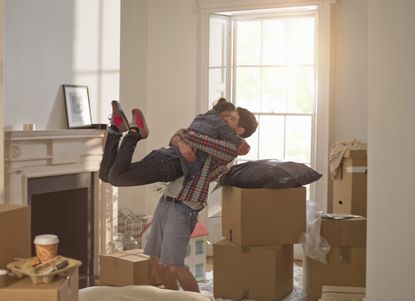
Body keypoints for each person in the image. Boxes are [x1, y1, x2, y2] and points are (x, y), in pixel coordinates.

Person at [98, 99, 258, 291]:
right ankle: (172, 296)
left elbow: (191, 136)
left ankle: (197, 299)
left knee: (175, 266)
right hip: (167, 200)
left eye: (231, 118)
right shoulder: (213, 133)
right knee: (156, 260)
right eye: (226, 116)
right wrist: (180, 140)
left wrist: (181, 137)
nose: (224, 119)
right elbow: (180, 137)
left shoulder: (229, 150)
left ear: (239, 131)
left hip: (184, 208)